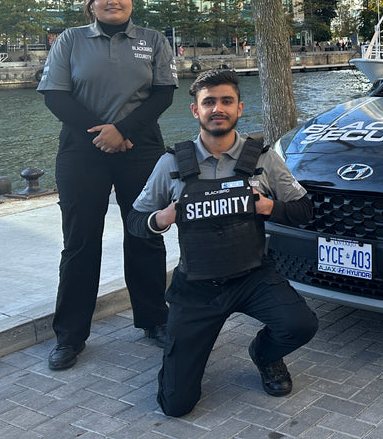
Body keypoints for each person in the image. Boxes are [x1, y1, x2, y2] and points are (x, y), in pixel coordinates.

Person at [128, 68, 318, 417]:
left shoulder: (263, 159)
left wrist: (269, 207)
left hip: (252, 276)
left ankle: (265, 354)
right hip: (197, 285)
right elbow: (136, 221)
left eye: (226, 101)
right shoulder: (171, 163)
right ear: (195, 110)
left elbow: (305, 209)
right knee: (175, 405)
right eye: (209, 102)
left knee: (300, 324)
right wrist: (162, 218)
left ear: (239, 108)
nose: (218, 109)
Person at [38, 0, 177, 371]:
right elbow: (55, 96)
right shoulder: (70, 40)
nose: (112, 1)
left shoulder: (153, 40)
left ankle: (154, 319)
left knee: (145, 234)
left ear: (132, 0)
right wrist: (103, 133)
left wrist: (123, 131)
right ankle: (69, 335)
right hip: (82, 150)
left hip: (140, 148)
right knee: (80, 241)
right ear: (92, 3)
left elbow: (163, 94)